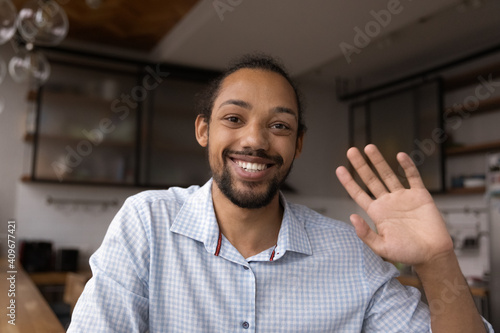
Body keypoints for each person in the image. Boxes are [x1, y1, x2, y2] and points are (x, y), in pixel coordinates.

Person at [68, 54, 493, 332]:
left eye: (279, 125)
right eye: (234, 118)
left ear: (298, 143)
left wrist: (437, 261)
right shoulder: (147, 223)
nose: (255, 141)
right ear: (203, 130)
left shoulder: (350, 252)